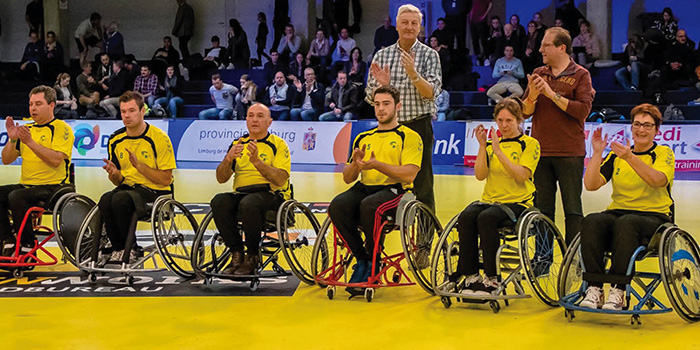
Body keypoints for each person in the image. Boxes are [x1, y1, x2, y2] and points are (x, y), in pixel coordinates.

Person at [579, 104, 674, 311]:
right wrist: (596, 154)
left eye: (647, 125)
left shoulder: (663, 153)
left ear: (656, 130)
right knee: (592, 220)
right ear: (631, 127)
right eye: (637, 124)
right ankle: (594, 287)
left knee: (626, 223)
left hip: (654, 216)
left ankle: (619, 289)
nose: (641, 130)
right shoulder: (616, 157)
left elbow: (657, 180)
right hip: (619, 211)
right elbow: (591, 185)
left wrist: (630, 157)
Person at [327, 85, 422, 293]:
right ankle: (362, 259)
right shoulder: (364, 137)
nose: (380, 109)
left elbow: (409, 174)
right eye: (377, 104)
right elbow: (348, 178)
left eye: (386, 104)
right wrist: (355, 163)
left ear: (398, 106)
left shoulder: (409, 136)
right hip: (366, 187)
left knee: (370, 206)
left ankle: (374, 260)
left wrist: (377, 164)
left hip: (397, 190)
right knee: (337, 205)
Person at [451, 97, 540, 295]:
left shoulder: (529, 144)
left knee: (487, 218)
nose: (504, 125)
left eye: (509, 120)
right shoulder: (491, 145)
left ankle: (492, 278)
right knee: (465, 217)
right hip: (490, 200)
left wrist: (499, 152)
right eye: (500, 121)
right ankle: (471, 275)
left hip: (518, 203)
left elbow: (521, 176)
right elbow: (480, 175)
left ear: (519, 120)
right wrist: (483, 146)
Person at [522, 27, 595, 243]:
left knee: (573, 208)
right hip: (540, 152)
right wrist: (533, 96)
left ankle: (573, 259)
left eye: (546, 45)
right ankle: (542, 262)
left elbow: (582, 110)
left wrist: (551, 95)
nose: (541, 49)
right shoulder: (538, 73)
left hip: (569, 152)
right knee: (542, 209)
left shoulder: (581, 74)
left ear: (561, 48)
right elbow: (525, 112)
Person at [366, 4, 442, 212]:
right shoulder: (382, 56)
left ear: (420, 28)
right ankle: (378, 238)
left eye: (414, 23)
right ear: (396, 26)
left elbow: (432, 93)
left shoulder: (430, 56)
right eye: (405, 22)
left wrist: (414, 74)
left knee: (423, 186)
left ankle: (424, 241)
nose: (409, 27)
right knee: (383, 184)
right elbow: (369, 96)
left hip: (419, 126)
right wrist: (384, 87)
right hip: (388, 129)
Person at [210, 103, 291, 275]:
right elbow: (221, 178)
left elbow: (280, 179)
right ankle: (236, 252)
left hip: (272, 195)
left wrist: (257, 162)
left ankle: (253, 255)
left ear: (270, 122)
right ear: (246, 119)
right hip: (242, 193)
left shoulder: (278, 144)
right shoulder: (237, 143)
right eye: (251, 115)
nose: (255, 119)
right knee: (219, 201)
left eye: (260, 116)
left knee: (249, 203)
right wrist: (227, 159)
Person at [99, 91, 175, 263]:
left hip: (155, 192)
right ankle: (118, 247)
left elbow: (165, 180)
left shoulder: (159, 138)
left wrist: (140, 166)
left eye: (132, 110)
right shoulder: (115, 140)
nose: (126, 115)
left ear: (143, 111)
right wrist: (115, 174)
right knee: (105, 199)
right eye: (123, 111)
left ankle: (129, 248)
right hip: (127, 189)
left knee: (120, 200)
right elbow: (118, 182)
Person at [1, 86, 74, 256]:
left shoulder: (61, 128)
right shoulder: (27, 130)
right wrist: (12, 140)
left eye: (38, 104)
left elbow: (56, 160)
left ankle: (28, 244)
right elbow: (6, 159)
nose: (33, 108)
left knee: (16, 196)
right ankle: (8, 240)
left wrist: (30, 143)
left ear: (51, 105)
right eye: (31, 104)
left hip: (54, 187)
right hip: (28, 186)